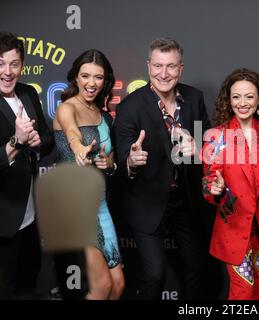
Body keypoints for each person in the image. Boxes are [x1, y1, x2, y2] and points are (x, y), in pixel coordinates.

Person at [113, 37, 211, 299]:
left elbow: (207, 147)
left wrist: (199, 151)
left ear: (181, 68)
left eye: (170, 67)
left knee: (197, 267)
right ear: (148, 66)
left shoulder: (194, 98)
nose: (163, 74)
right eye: (158, 66)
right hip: (147, 200)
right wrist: (132, 162)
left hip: (185, 200)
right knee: (155, 273)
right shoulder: (129, 107)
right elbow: (123, 160)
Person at [201, 68, 259, 300]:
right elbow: (207, 184)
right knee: (242, 292)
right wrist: (214, 189)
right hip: (235, 230)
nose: (243, 103)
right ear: (228, 101)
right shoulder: (216, 137)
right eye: (236, 96)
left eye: (249, 96)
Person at [53, 49, 124, 300]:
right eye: (85, 76)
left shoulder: (104, 116)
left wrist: (109, 164)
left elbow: (112, 160)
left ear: (105, 81)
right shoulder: (66, 109)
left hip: (100, 204)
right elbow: (72, 135)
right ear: (75, 78)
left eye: (98, 77)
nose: (91, 83)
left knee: (118, 284)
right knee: (102, 286)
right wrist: (79, 148)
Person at [0, 32, 54, 299]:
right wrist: (16, 141)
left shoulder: (28, 93)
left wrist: (35, 141)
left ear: (22, 65)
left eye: (14, 63)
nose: (7, 72)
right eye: (0, 63)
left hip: (29, 215)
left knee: (28, 287)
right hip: (3, 220)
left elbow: (47, 139)